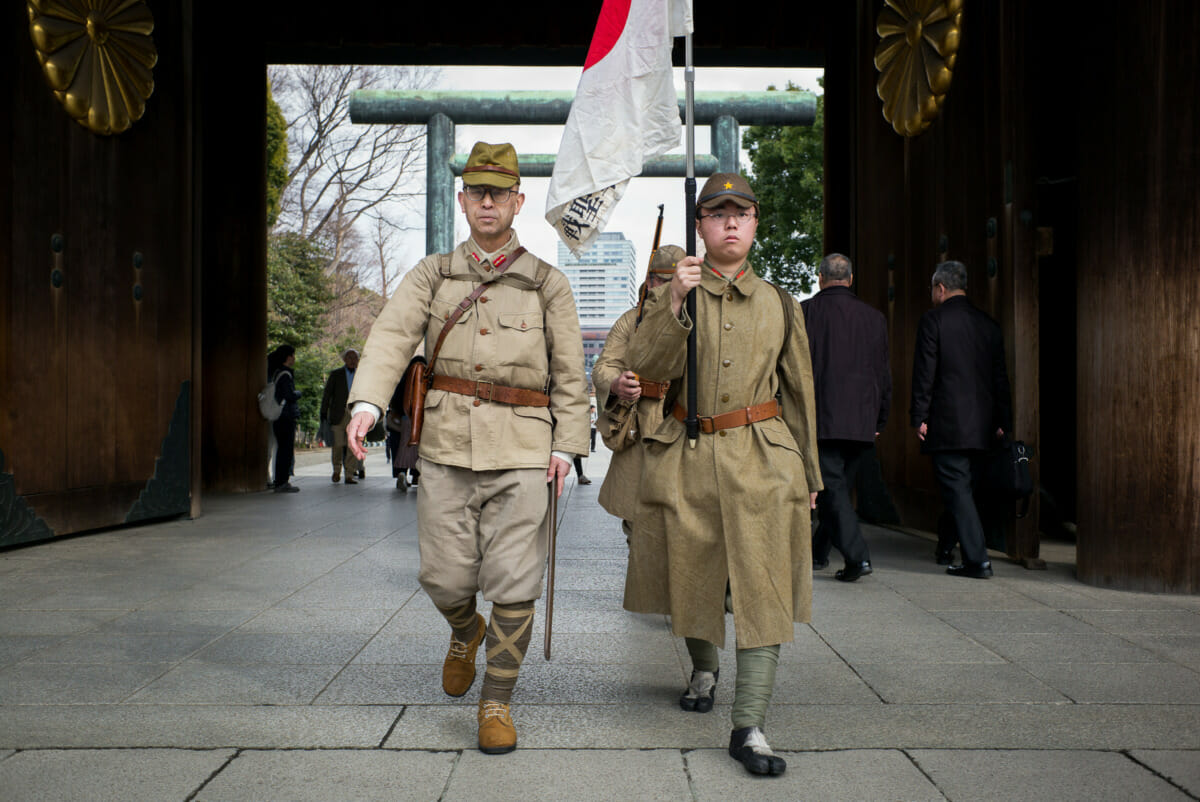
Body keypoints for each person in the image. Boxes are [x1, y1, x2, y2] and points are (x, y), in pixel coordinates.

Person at [342, 142, 589, 755]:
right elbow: (393, 335)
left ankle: (497, 702)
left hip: (524, 452)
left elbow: (569, 373)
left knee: (515, 581)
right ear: (461, 200)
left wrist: (569, 445)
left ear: (517, 202)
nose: (486, 201)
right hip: (448, 446)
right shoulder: (433, 274)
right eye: (476, 191)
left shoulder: (547, 283)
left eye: (498, 192)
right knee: (443, 577)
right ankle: (464, 630)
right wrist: (367, 403)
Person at [625, 174, 821, 776]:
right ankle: (704, 667)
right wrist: (674, 304)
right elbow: (645, 369)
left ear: (756, 223)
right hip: (689, 458)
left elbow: (800, 392)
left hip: (764, 460)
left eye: (741, 212)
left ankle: (749, 725)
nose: (730, 222)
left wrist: (809, 472)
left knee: (764, 590)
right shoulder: (671, 295)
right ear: (701, 228)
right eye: (717, 213)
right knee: (694, 578)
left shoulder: (783, 305)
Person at [910, 260, 1012, 578]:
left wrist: (920, 416)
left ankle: (976, 561)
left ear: (940, 288)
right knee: (962, 490)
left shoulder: (933, 321)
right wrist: (1002, 420)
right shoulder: (989, 325)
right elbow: (1000, 379)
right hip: (983, 426)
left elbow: (925, 374)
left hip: (948, 423)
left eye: (932, 289)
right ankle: (945, 547)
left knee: (957, 490)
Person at [593, 244, 682, 602]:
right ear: (650, 281)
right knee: (638, 511)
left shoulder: (702, 316)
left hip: (684, 422)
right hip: (643, 423)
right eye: (663, 281)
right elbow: (604, 366)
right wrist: (617, 383)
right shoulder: (632, 320)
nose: (670, 289)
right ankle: (652, 584)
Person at [802, 253, 892, 582]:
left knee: (833, 491)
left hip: (822, 418)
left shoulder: (806, 313)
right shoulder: (874, 318)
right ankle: (818, 553)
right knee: (836, 490)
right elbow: (884, 374)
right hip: (862, 421)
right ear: (851, 279)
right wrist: (880, 419)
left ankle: (857, 557)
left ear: (820, 278)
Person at [321, 347, 363, 484]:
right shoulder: (336, 374)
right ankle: (336, 471)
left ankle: (350, 474)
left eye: (355, 357)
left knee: (353, 446)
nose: (352, 360)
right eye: (349, 357)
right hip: (338, 414)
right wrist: (323, 413)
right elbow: (327, 395)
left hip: (356, 414)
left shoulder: (362, 375)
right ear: (344, 359)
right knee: (337, 444)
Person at [267, 344, 301, 493]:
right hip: (285, 416)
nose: (294, 358)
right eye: (293, 355)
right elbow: (288, 395)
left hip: (278, 416)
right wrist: (297, 393)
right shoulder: (285, 374)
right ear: (288, 357)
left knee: (282, 448)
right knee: (285, 449)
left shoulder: (276, 372)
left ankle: (279, 480)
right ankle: (282, 481)